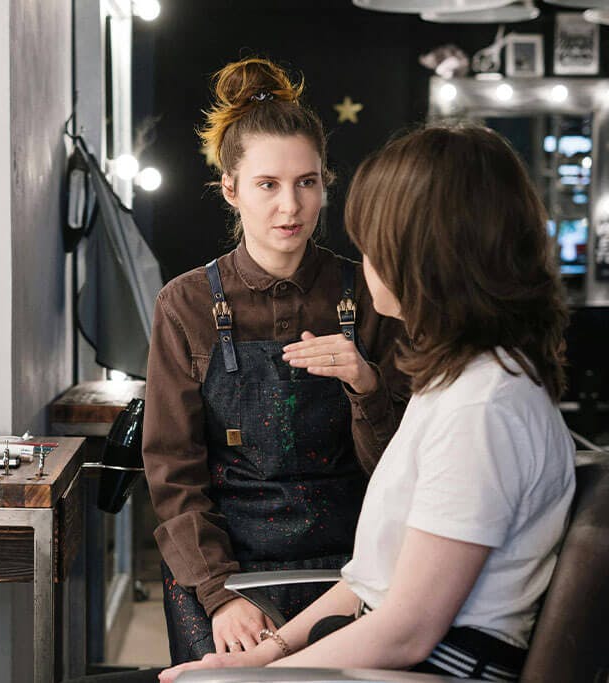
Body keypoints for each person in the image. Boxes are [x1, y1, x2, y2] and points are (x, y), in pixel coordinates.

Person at [157, 124, 576, 682]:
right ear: (231, 189)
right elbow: (372, 578)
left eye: (373, 241)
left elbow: (406, 629)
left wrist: (260, 678)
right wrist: (268, 653)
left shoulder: (482, 410)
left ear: (423, 255)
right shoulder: (457, 384)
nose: (360, 260)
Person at [142, 57, 411, 666]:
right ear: (230, 188)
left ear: (326, 184)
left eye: (308, 182)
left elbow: (402, 467)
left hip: (355, 564)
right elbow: (172, 469)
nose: (291, 206)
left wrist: (366, 384)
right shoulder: (184, 304)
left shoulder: (371, 294)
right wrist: (217, 593)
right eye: (268, 184)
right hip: (223, 567)